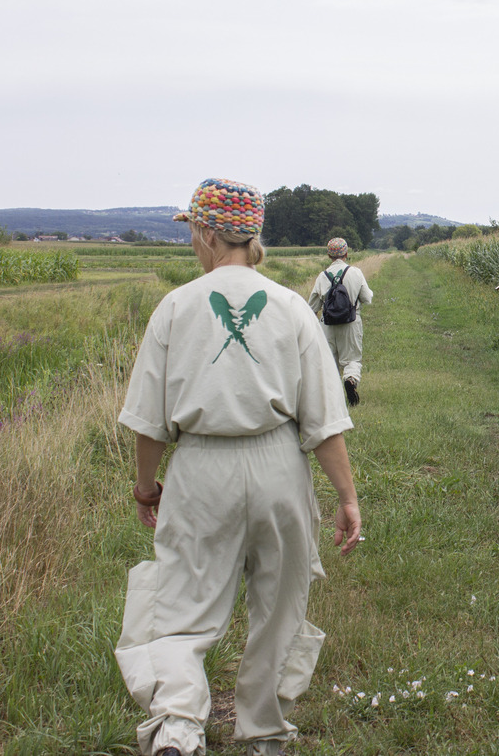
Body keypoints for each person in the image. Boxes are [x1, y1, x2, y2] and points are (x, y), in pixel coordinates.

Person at [114, 178, 362, 756]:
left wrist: (147, 487)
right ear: (253, 236)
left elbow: (150, 423)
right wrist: (346, 496)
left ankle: (177, 725)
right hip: (279, 462)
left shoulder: (174, 308)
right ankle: (264, 734)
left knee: (180, 603)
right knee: (279, 608)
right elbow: (324, 421)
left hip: (200, 466)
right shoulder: (291, 308)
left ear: (204, 232)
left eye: (191, 234)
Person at [308, 237, 374, 407]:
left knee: (330, 361)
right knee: (352, 358)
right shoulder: (355, 272)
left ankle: (332, 399)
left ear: (329, 255)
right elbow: (367, 298)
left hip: (327, 324)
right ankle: (351, 379)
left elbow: (312, 306)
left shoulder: (322, 277)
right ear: (346, 253)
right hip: (351, 322)